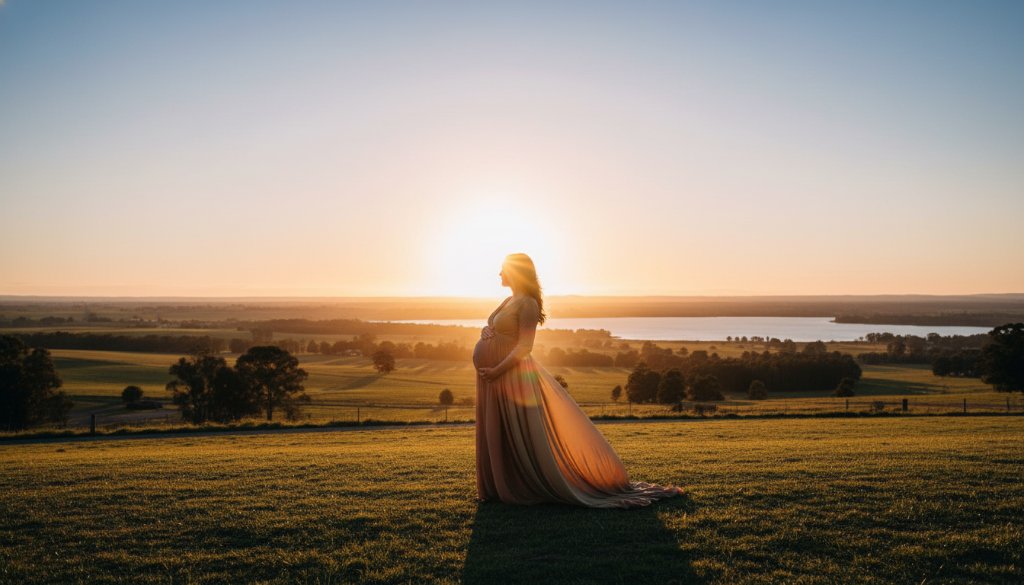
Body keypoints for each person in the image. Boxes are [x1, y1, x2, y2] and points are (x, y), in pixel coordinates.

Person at [473, 253, 685, 508]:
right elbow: (499, 329)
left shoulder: (527, 303)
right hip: (494, 377)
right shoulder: (509, 300)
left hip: (510, 376)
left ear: (516, 272)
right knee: (499, 430)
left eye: (503, 269)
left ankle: (519, 485)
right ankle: (500, 486)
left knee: (517, 432)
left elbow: (525, 346)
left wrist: (498, 369)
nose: (499, 274)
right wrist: (487, 331)